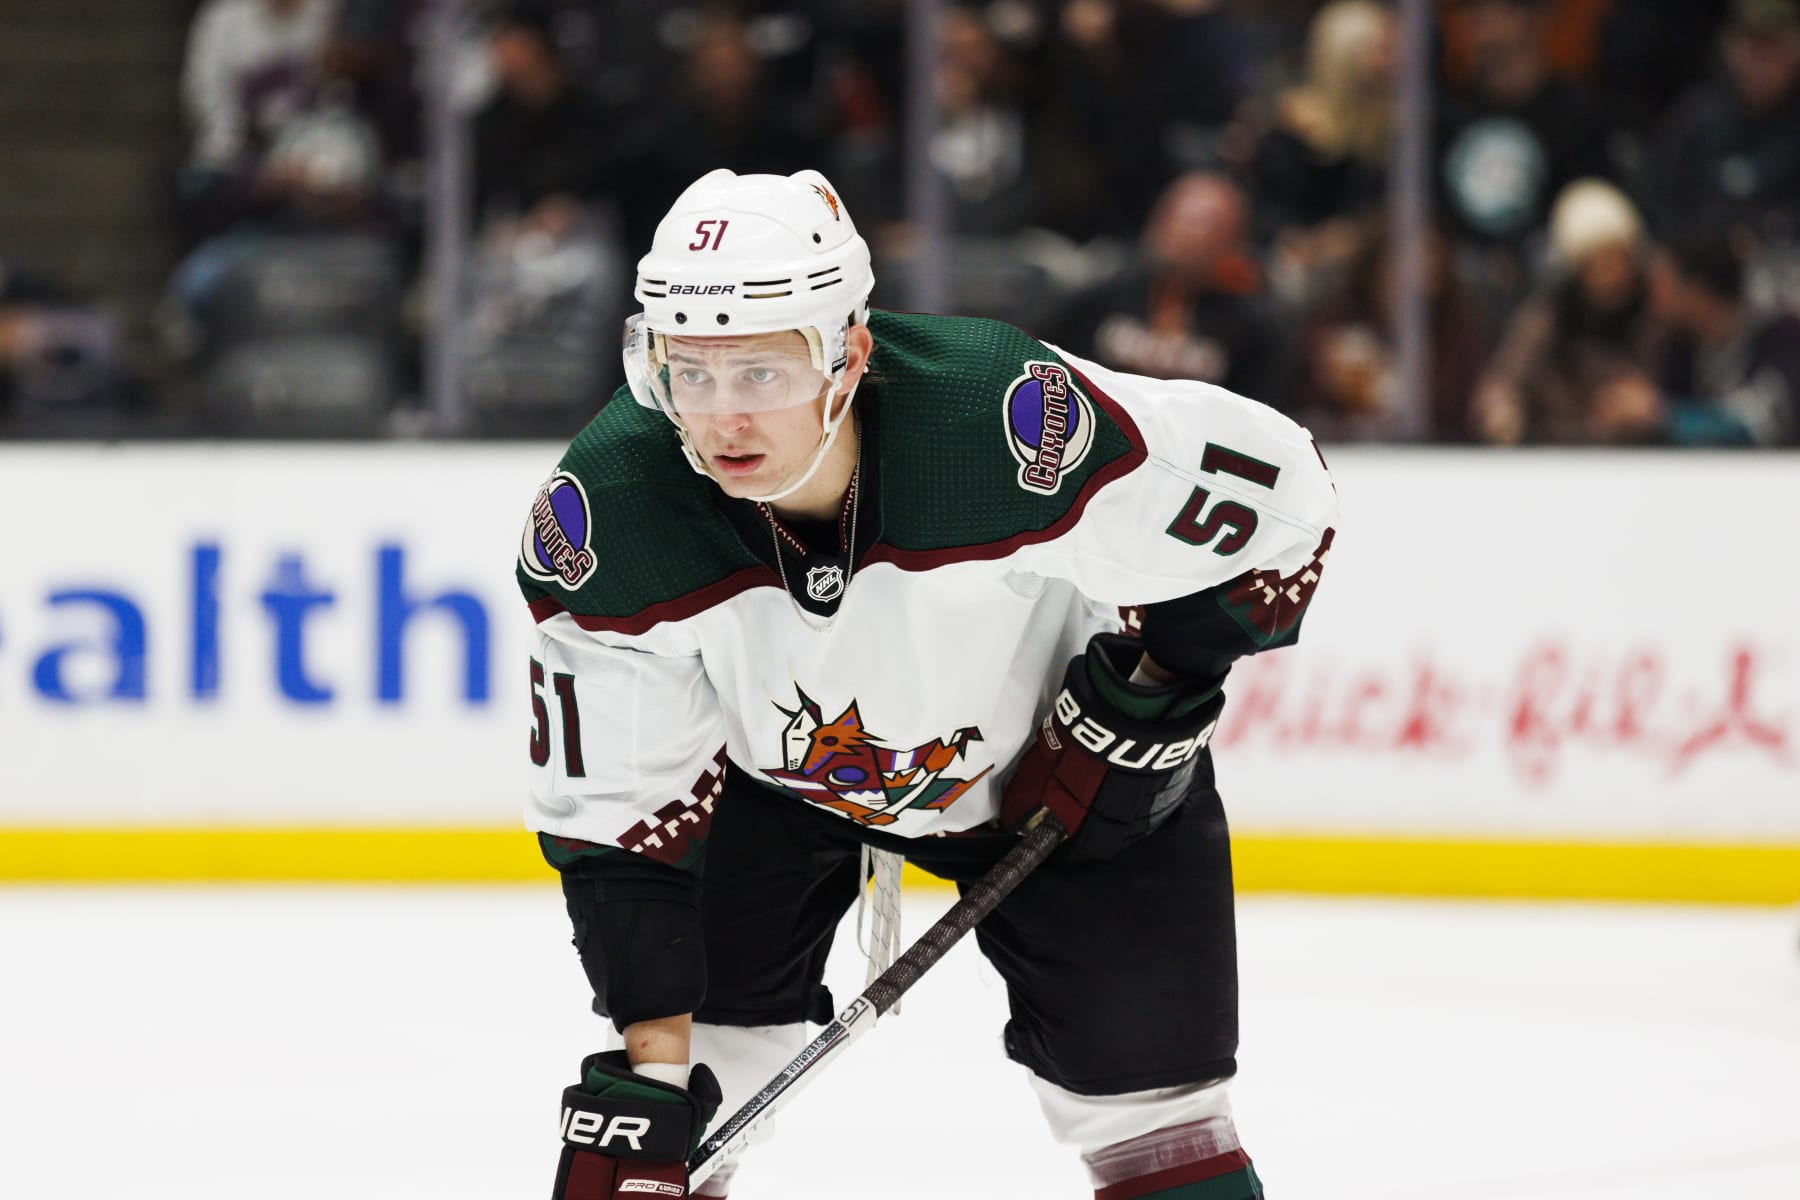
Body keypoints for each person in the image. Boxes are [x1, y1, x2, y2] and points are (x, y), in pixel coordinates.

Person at [517, 169, 1338, 1200]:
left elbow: (1281, 503)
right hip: (772, 789)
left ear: (849, 354)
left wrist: (1155, 692)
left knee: (1156, 1114)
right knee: (675, 1113)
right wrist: (653, 1076)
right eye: (691, 372)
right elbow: (616, 819)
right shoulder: (609, 514)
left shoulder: (1006, 426)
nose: (721, 419)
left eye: (763, 374)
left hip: (1058, 766)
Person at [1473, 178, 1668, 444]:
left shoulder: (1655, 315)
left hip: (1640, 464)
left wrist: (1651, 409)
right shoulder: (1547, 316)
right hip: (1553, 458)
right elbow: (1503, 385)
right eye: (1599, 262)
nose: (1611, 274)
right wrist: (1503, 413)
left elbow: (1686, 399)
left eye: (1618, 259)